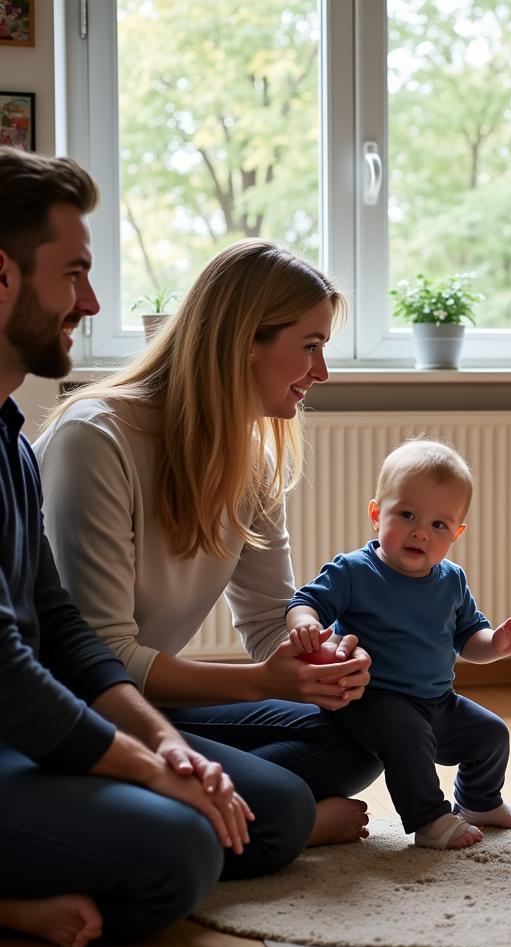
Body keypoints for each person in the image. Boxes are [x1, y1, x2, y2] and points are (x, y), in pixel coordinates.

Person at [0, 147, 272, 947]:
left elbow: (63, 631)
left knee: (254, 810)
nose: (89, 300)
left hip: (19, 734)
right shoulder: (91, 434)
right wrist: (150, 768)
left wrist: (163, 749)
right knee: (184, 848)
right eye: (74, 273)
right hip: (11, 731)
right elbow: (8, 670)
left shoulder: (11, 441)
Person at [34, 239, 382, 851]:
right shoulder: (96, 439)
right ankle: (277, 816)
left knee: (364, 731)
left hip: (151, 704)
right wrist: (261, 684)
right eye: (310, 346)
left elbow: (272, 618)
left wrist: (318, 657)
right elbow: (98, 657)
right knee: (280, 802)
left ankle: (211, 810)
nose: (321, 374)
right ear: (247, 339)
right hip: (76, 710)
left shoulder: (252, 457)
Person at [287, 438, 511, 850]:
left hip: (439, 700)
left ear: (456, 534)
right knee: (407, 737)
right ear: (375, 514)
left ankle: (479, 801)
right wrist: (306, 625)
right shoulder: (354, 571)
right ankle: (428, 819)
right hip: (371, 700)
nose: (421, 531)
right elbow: (305, 601)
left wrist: (497, 644)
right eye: (407, 515)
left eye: (439, 525)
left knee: (491, 733)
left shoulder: (451, 580)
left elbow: (470, 639)